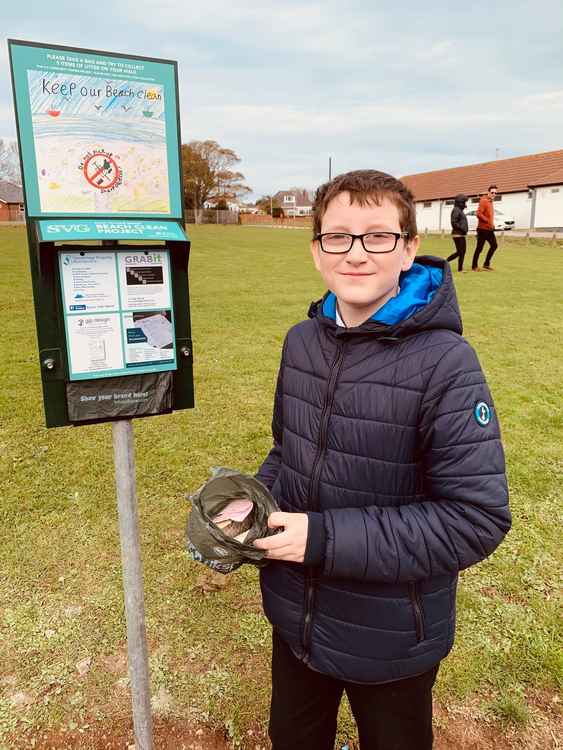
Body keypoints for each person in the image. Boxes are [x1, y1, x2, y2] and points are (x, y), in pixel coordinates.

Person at [253, 169, 511, 750]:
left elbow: (476, 518)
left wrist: (321, 538)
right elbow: (286, 451)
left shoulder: (447, 364)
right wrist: (254, 502)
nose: (357, 253)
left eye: (378, 236)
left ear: (410, 248)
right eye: (338, 236)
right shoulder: (301, 341)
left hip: (394, 636)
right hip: (297, 616)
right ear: (316, 248)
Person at [472, 184, 499, 271]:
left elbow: (489, 215)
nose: (494, 194)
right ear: (488, 192)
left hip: (489, 229)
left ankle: (486, 264)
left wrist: (492, 224)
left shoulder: (490, 202)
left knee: (494, 245)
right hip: (482, 229)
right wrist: (487, 221)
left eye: (495, 193)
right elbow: (478, 213)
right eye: (492, 192)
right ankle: (474, 266)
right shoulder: (484, 201)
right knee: (479, 248)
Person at [446, 193, 468, 271]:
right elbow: (453, 222)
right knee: (460, 252)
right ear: (460, 202)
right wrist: (462, 228)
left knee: (462, 252)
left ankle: (460, 269)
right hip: (457, 234)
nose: (465, 204)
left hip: (461, 234)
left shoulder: (459, 210)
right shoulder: (456, 210)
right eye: (464, 202)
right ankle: (445, 262)